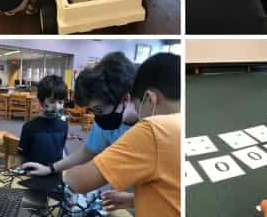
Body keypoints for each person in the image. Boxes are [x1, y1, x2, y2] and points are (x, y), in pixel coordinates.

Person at [62, 53, 181, 216]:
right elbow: (170, 193)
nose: (139, 115)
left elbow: (79, 180)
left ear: (149, 99)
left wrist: (63, 178)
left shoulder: (153, 130)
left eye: (137, 104)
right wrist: (134, 199)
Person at [22, 52, 138, 205]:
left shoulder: (150, 128)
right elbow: (87, 152)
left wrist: (134, 200)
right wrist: (50, 169)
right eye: (92, 111)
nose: (97, 117)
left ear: (124, 100)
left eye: (99, 110)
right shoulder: (107, 120)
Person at [18, 75, 68, 165]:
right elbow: (22, 157)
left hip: (55, 173)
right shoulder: (29, 127)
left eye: (60, 102)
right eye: (52, 101)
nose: (56, 107)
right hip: (35, 174)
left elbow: (61, 149)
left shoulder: (64, 125)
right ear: (41, 101)